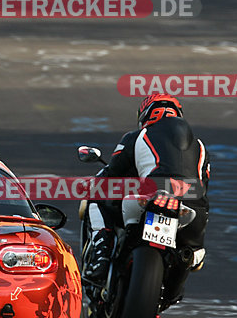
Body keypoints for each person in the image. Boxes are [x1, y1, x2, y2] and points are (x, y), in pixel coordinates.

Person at [82, 93, 210, 284]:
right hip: (194, 212)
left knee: (95, 200)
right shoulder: (200, 147)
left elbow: (110, 173)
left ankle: (101, 257)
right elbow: (204, 184)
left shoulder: (137, 136)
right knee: (193, 257)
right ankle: (182, 265)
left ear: (145, 116)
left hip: (151, 197)